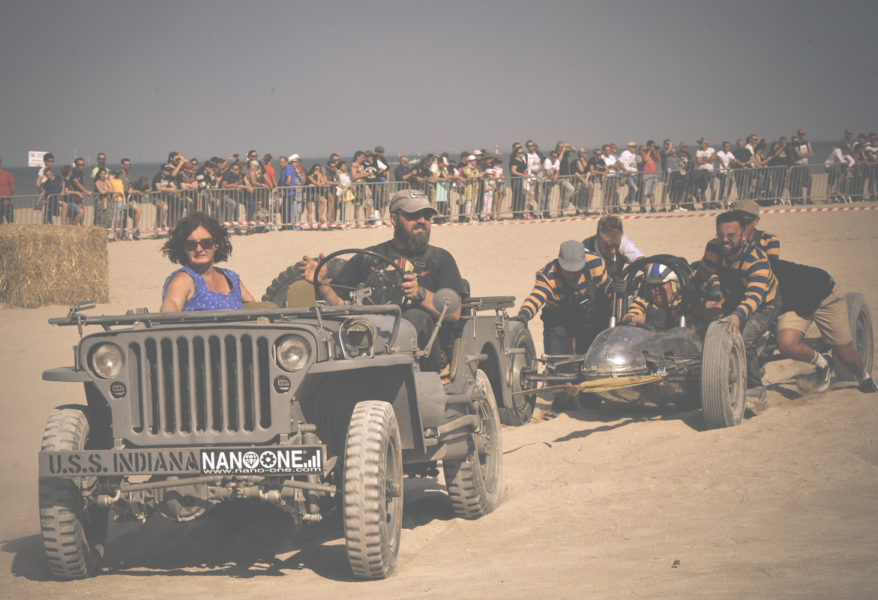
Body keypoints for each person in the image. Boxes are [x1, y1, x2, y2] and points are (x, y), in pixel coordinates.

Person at [297, 189, 467, 370]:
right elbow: (338, 303)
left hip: (425, 358)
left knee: (415, 317)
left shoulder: (440, 259)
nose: (422, 221)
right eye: (413, 215)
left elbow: (454, 313)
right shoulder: (369, 257)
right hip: (368, 348)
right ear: (394, 219)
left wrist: (420, 294)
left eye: (426, 216)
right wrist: (321, 282)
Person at [515, 240, 611, 410]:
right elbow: (536, 297)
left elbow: (609, 291)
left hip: (589, 320)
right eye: (567, 271)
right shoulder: (548, 275)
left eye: (576, 271)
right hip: (558, 320)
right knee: (558, 365)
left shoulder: (596, 264)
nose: (572, 275)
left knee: (591, 361)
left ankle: (590, 397)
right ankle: (564, 398)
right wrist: (524, 315)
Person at [694, 211, 780, 397]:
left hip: (764, 305)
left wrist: (737, 315)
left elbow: (754, 297)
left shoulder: (756, 259)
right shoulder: (713, 248)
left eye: (731, 235)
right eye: (720, 235)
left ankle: (755, 388)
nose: (724, 240)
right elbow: (703, 273)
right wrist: (691, 293)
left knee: (742, 339)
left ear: (744, 235)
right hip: (734, 298)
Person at [772, 259, 876, 393]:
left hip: (824, 296)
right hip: (795, 304)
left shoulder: (763, 267)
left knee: (844, 353)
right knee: (787, 343)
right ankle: (824, 363)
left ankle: (864, 377)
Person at [160, 212, 255, 312]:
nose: (199, 249)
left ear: (216, 244)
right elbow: (170, 307)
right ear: (184, 248)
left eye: (206, 243)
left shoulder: (231, 278)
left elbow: (254, 306)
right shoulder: (183, 280)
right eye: (191, 244)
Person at [622, 262, 685, 330]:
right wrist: (633, 318)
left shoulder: (681, 304)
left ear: (673, 285)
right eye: (653, 285)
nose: (657, 289)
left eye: (661, 284)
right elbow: (630, 316)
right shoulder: (642, 302)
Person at [582, 215, 644, 281]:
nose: (613, 251)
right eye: (607, 246)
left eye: (616, 246)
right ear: (597, 237)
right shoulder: (584, 251)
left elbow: (642, 262)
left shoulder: (622, 240)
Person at [0, 159, 15, 224]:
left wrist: (9, 196)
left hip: (7, 202)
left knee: (10, 221)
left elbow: (12, 187)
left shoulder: (7, 174)